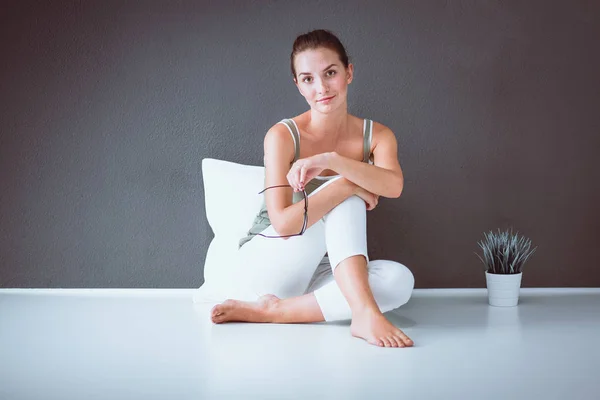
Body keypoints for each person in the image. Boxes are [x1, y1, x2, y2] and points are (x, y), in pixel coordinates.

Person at [210, 29, 415, 348]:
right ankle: (363, 313)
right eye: (308, 79)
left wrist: (334, 160)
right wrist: (347, 184)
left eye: (330, 73)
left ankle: (274, 312)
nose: (321, 88)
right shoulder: (281, 135)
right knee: (347, 201)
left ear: (349, 72)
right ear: (298, 84)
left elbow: (394, 185)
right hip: (270, 260)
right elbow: (283, 223)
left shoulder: (377, 136)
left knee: (400, 281)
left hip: (319, 270)